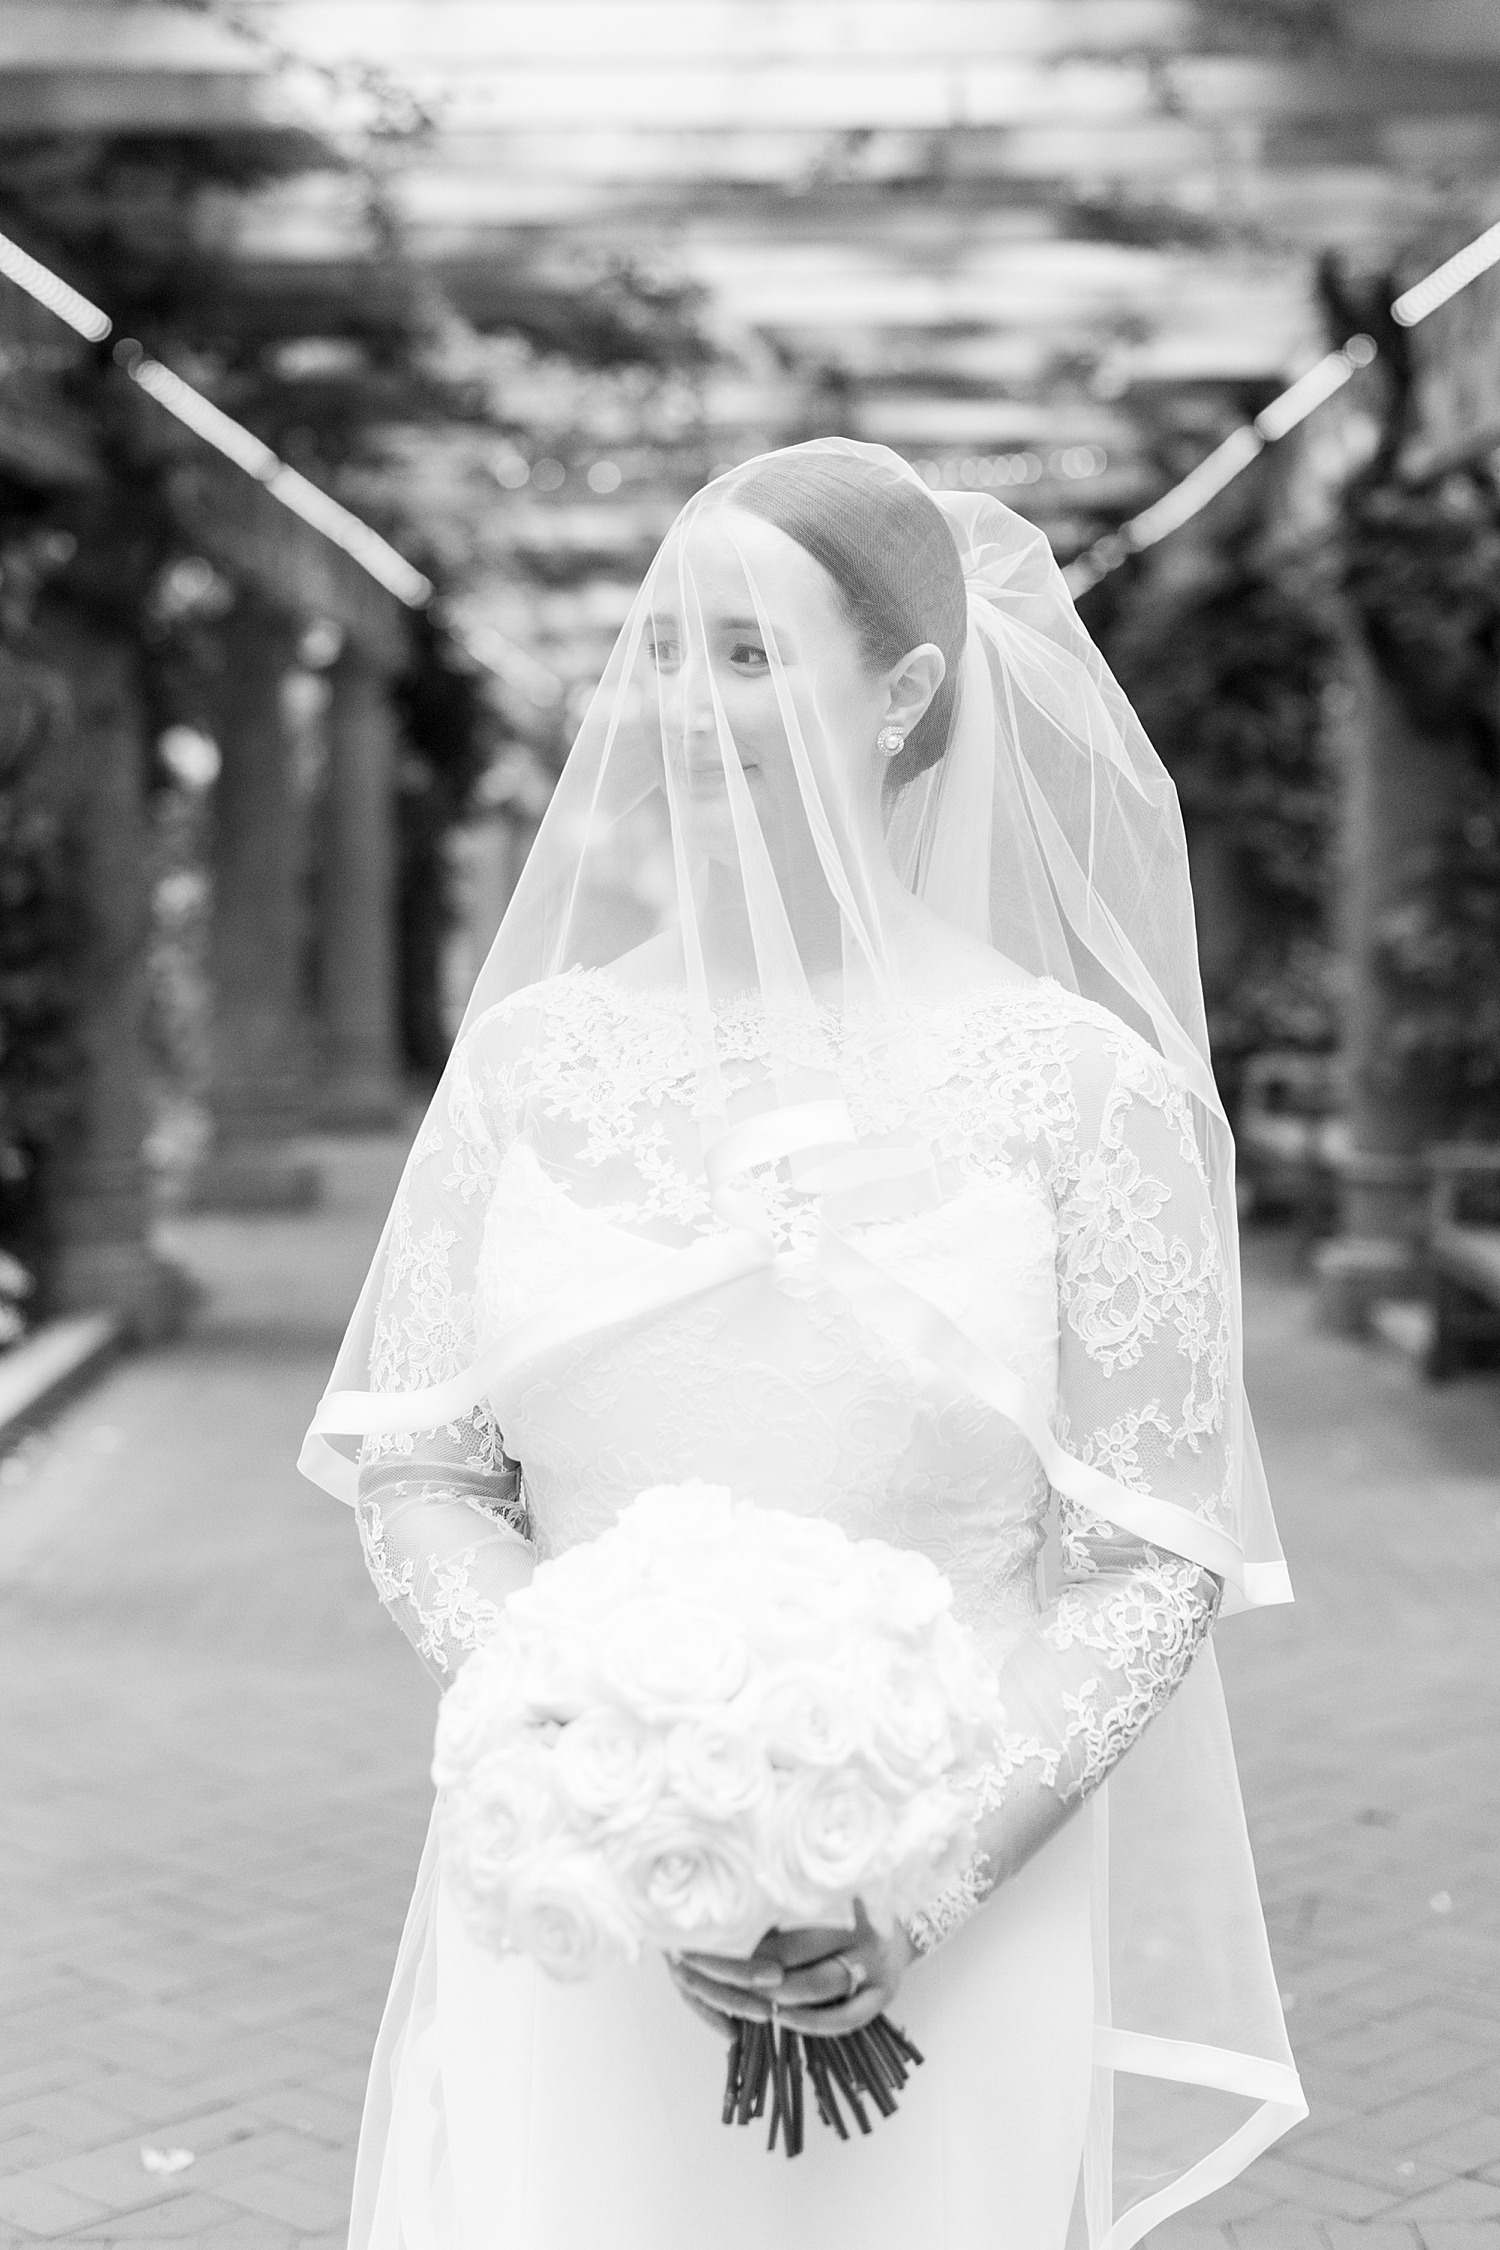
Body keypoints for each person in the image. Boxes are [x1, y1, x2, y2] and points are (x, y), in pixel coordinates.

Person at [301, 439, 1304, 2250]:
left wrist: (910, 1877)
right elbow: (423, 1467)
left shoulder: (1083, 1093)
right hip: (586, 1883)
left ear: (906, 691)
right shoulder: (529, 1063)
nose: (684, 703)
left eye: (751, 655)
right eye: (665, 648)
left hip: (951, 1913)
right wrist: (594, 1721)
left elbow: (1151, 1557)